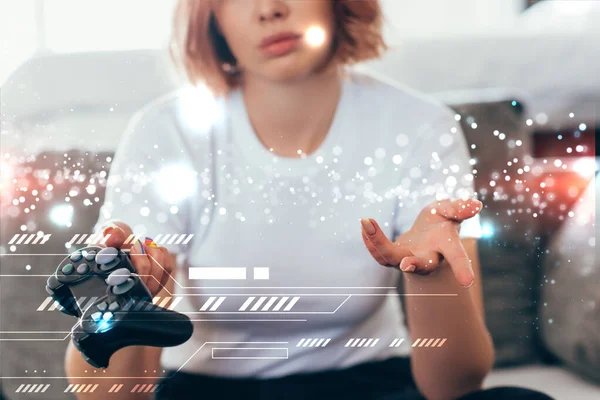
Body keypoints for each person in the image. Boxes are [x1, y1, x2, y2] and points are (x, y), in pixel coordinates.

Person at [64, 0, 554, 399]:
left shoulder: (421, 126)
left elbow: (454, 386)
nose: (269, 9)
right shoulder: (165, 130)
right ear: (210, 17)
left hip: (371, 384)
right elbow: (108, 397)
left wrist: (433, 271)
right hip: (203, 389)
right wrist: (130, 300)